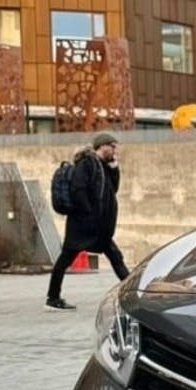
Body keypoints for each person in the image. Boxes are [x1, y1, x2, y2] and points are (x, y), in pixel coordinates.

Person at [45, 132, 129, 311]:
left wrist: (114, 169)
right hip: (83, 225)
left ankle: (132, 294)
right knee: (65, 260)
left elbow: (113, 190)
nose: (115, 150)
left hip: (98, 226)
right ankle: (52, 299)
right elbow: (78, 190)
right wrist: (89, 214)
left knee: (116, 256)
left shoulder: (103, 166)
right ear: (102, 146)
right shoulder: (87, 164)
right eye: (112, 146)